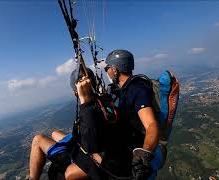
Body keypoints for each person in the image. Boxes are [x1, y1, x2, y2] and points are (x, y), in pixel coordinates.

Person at [28, 67, 106, 180]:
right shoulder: (102, 102)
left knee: (38, 139)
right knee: (55, 133)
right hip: (79, 143)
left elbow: (90, 145)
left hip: (82, 154)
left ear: (76, 92)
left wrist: (84, 102)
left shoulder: (88, 109)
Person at [102, 49, 160, 180]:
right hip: (126, 140)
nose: (106, 71)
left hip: (133, 146)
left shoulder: (137, 89)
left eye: (107, 68)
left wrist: (144, 153)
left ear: (115, 70)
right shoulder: (125, 88)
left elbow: (151, 124)